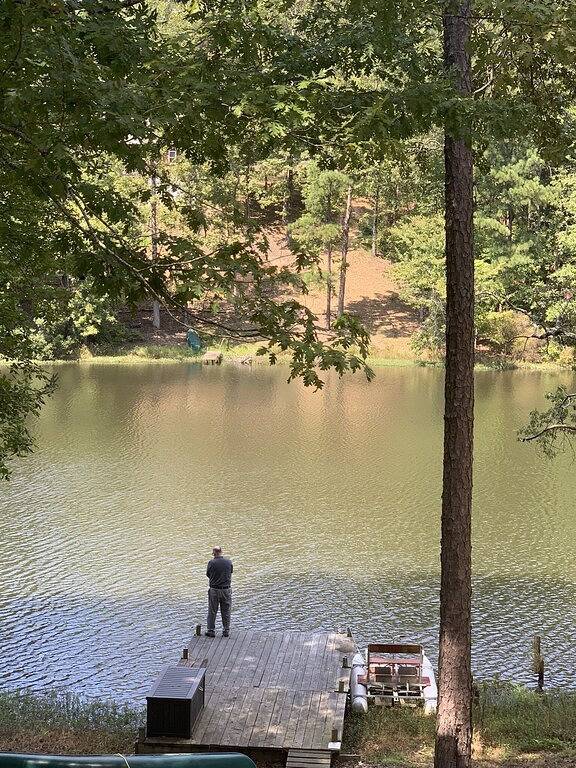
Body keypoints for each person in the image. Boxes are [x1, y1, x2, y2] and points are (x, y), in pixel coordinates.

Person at [205, 545, 233, 637]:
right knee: (226, 611)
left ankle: (211, 630)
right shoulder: (229, 562)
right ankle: (226, 630)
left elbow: (208, 574)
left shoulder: (211, 563)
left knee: (212, 610)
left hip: (214, 590)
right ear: (221, 552)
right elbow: (231, 572)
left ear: (214, 553)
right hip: (226, 590)